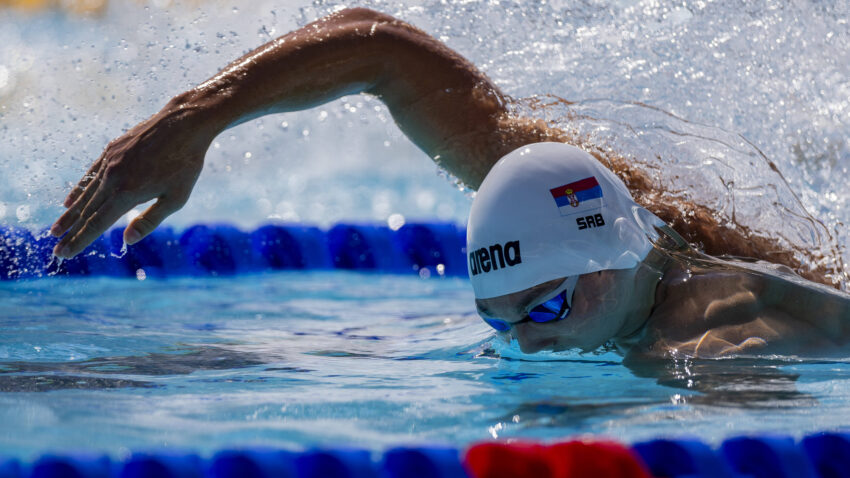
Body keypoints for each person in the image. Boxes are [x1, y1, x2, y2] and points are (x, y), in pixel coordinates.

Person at [49, 8, 850, 359]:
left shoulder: (712, 347)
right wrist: (197, 118)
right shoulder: (580, 194)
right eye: (503, 321)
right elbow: (380, 49)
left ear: (611, 257)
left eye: (547, 308)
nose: (529, 341)